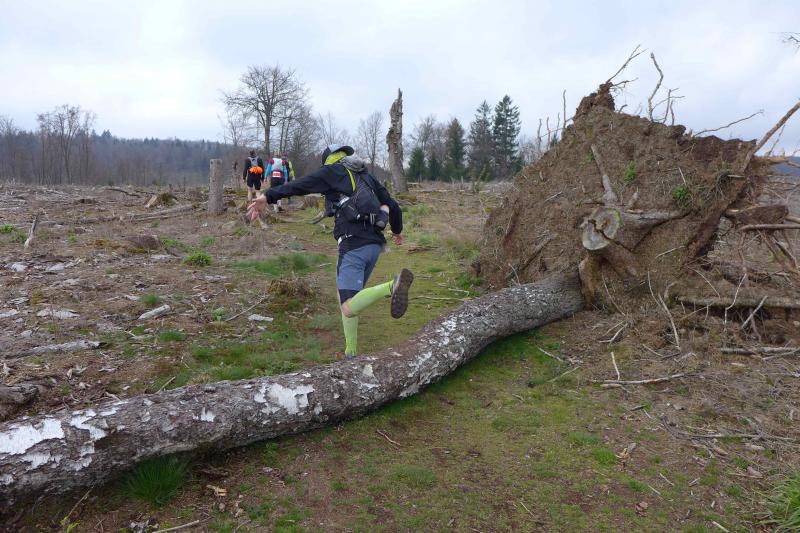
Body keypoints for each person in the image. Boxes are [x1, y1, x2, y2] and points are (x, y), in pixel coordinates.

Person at [247, 144, 413, 359]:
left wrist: (268, 196)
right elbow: (393, 206)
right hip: (374, 245)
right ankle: (350, 352)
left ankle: (392, 286)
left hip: (353, 243)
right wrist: (397, 231)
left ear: (327, 159)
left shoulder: (331, 171)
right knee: (348, 297)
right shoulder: (366, 175)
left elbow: (300, 185)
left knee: (347, 306)